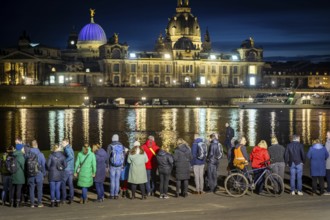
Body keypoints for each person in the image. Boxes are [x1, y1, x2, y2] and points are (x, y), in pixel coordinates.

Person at [27, 140, 46, 208]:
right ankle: (39, 203)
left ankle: (32, 203)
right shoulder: (40, 154)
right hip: (39, 173)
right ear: (37, 145)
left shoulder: (28, 154)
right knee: (39, 189)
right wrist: (44, 173)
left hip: (30, 173)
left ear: (31, 145)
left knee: (31, 188)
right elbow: (43, 165)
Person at [107, 134, 125, 199]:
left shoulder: (110, 146)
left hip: (112, 165)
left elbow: (108, 156)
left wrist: (107, 165)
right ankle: (116, 194)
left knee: (112, 180)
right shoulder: (122, 146)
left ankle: (112, 194)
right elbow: (124, 156)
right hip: (120, 165)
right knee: (117, 180)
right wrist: (123, 164)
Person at [9, 143, 25, 208]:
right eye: (23, 148)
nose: (24, 149)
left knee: (12, 189)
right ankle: (18, 203)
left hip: (13, 174)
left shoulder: (13, 155)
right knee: (18, 189)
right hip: (19, 175)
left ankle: (11, 202)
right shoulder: (21, 156)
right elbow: (23, 167)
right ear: (20, 149)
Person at [61, 138, 75, 204]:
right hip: (71, 169)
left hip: (67, 169)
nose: (62, 144)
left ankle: (64, 198)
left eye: (63, 143)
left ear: (67, 142)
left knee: (63, 183)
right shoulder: (70, 148)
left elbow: (71, 157)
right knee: (70, 184)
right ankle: (71, 198)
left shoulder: (66, 149)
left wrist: (64, 161)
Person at [325, 131, 330, 195]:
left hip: (328, 162)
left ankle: (329, 190)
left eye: (327, 135)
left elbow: (326, 153)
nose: (326, 136)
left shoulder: (328, 142)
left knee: (328, 177)